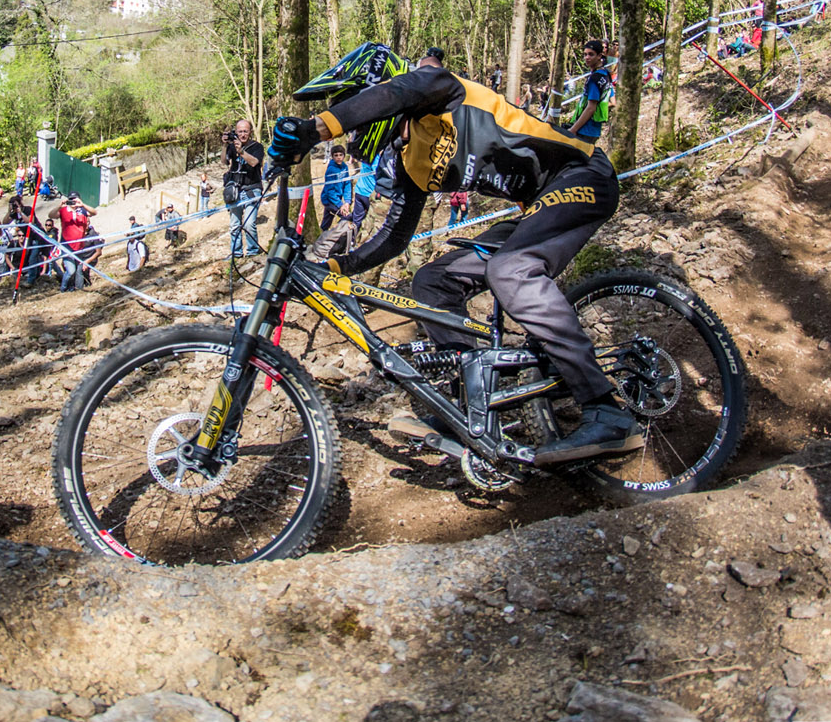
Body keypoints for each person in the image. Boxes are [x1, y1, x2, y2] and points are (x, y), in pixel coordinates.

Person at [265, 40, 638, 464]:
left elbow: (401, 91)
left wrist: (316, 129)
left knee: (510, 270)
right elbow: (394, 237)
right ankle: (472, 406)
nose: (353, 131)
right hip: (537, 205)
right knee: (432, 282)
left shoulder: (437, 89)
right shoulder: (410, 161)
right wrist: (330, 267)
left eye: (353, 109)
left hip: (581, 175)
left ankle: (605, 410)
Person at [221, 119, 265, 257]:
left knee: (249, 224)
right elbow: (224, 161)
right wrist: (225, 146)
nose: (242, 134)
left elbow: (254, 162)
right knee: (234, 224)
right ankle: (236, 252)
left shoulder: (257, 147)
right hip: (235, 189)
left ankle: (253, 251)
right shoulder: (232, 146)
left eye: (245, 131)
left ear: (250, 132)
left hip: (252, 188)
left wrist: (241, 151)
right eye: (240, 132)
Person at [568, 39, 611, 141]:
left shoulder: (594, 79)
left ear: (599, 56)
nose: (587, 57)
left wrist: (573, 129)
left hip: (585, 130)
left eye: (591, 54)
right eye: (585, 54)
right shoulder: (606, 75)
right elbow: (612, 100)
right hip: (594, 130)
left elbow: (591, 107)